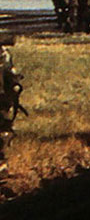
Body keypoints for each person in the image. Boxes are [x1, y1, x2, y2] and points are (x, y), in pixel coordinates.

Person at [0, 34, 26, 195]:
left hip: (2, 98)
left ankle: (1, 168)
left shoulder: (3, 54)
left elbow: (9, 71)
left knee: (3, 133)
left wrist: (15, 85)